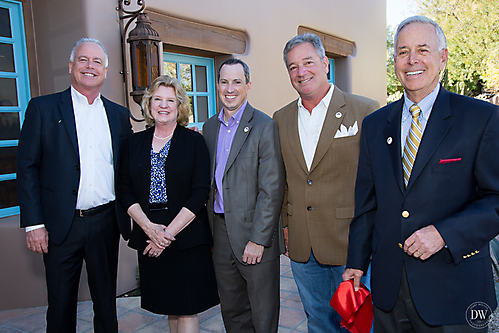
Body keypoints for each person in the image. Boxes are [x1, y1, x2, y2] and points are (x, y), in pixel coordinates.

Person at [343, 15, 499, 332]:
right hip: (388, 290)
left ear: (442, 58)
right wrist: (356, 263)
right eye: (402, 51)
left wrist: (444, 234)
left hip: (454, 289)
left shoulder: (481, 118)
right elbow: (367, 203)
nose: (412, 60)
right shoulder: (375, 125)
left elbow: (496, 200)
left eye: (423, 49)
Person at [17, 38, 132, 332]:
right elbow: (27, 167)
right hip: (60, 225)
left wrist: (178, 136)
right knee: (60, 304)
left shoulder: (119, 116)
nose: (89, 66)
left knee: (106, 303)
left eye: (96, 62)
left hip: (106, 222)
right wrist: (34, 224)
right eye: (83, 60)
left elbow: (132, 165)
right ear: (71, 67)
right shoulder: (43, 109)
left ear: (105, 71)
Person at [273, 34, 379, 333]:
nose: (301, 71)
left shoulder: (365, 111)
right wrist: (285, 225)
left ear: (325, 64)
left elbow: (377, 183)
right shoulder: (280, 118)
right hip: (303, 245)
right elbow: (281, 178)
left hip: (349, 244)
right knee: (318, 322)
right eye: (293, 67)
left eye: (307, 62)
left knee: (356, 325)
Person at [118, 75, 219, 333]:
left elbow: (199, 193)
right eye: (157, 99)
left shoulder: (194, 141)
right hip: (148, 229)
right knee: (169, 307)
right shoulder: (132, 143)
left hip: (185, 235)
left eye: (170, 100)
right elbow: (124, 190)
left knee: (186, 308)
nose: (163, 105)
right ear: (149, 104)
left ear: (179, 106)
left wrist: (166, 234)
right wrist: (150, 229)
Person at [203, 58, 285, 333]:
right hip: (221, 231)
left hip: (254, 235)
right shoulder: (209, 127)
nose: (230, 88)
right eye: (224, 82)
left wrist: (258, 240)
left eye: (237, 82)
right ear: (217, 86)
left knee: (263, 314)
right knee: (232, 309)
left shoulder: (264, 125)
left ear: (248, 86)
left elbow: (271, 188)